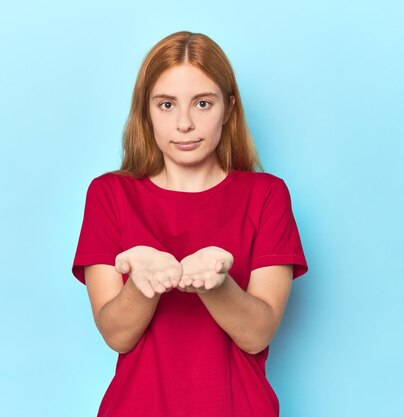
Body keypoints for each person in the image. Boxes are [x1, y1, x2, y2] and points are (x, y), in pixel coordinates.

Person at [71, 31, 308, 417]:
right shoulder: (108, 194)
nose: (184, 123)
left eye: (202, 103)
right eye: (166, 104)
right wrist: (143, 287)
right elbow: (117, 335)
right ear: (145, 110)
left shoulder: (266, 195)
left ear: (228, 108)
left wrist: (217, 285)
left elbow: (257, 335)